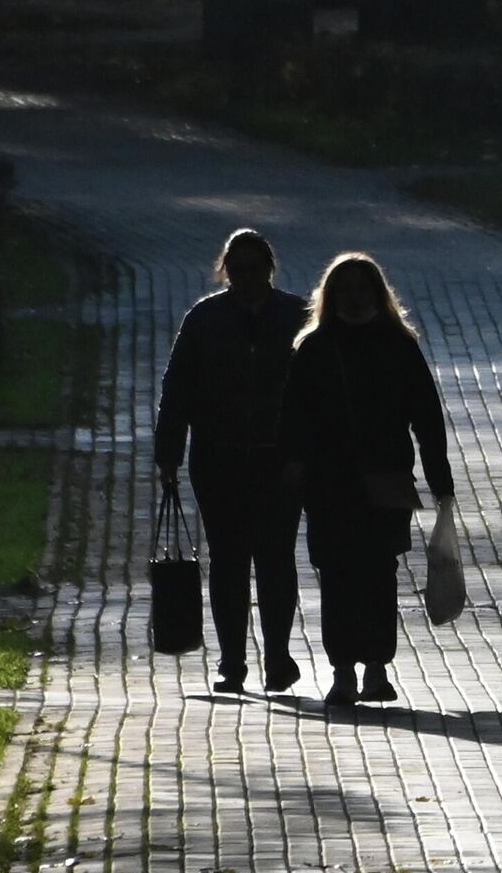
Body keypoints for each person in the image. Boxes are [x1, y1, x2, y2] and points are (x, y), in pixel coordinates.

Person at [281, 253, 455, 707]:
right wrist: (295, 468)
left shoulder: (397, 345)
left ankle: (374, 667)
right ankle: (343, 670)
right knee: (338, 576)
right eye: (346, 289)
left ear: (377, 295)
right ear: (331, 296)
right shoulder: (315, 349)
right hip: (330, 482)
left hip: (386, 479)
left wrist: (440, 480)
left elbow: (426, 417)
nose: (354, 297)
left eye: (361, 289)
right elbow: (295, 417)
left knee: (379, 576)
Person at [154, 229, 308, 696]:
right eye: (236, 269)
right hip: (218, 460)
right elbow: (177, 389)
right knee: (228, 560)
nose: (244, 277)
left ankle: (278, 657)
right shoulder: (204, 318)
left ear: (269, 268)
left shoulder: (296, 316)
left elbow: (313, 392)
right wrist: (168, 454)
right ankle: (233, 661)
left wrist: (305, 454)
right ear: (225, 271)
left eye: (253, 268)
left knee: (277, 558)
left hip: (279, 461)